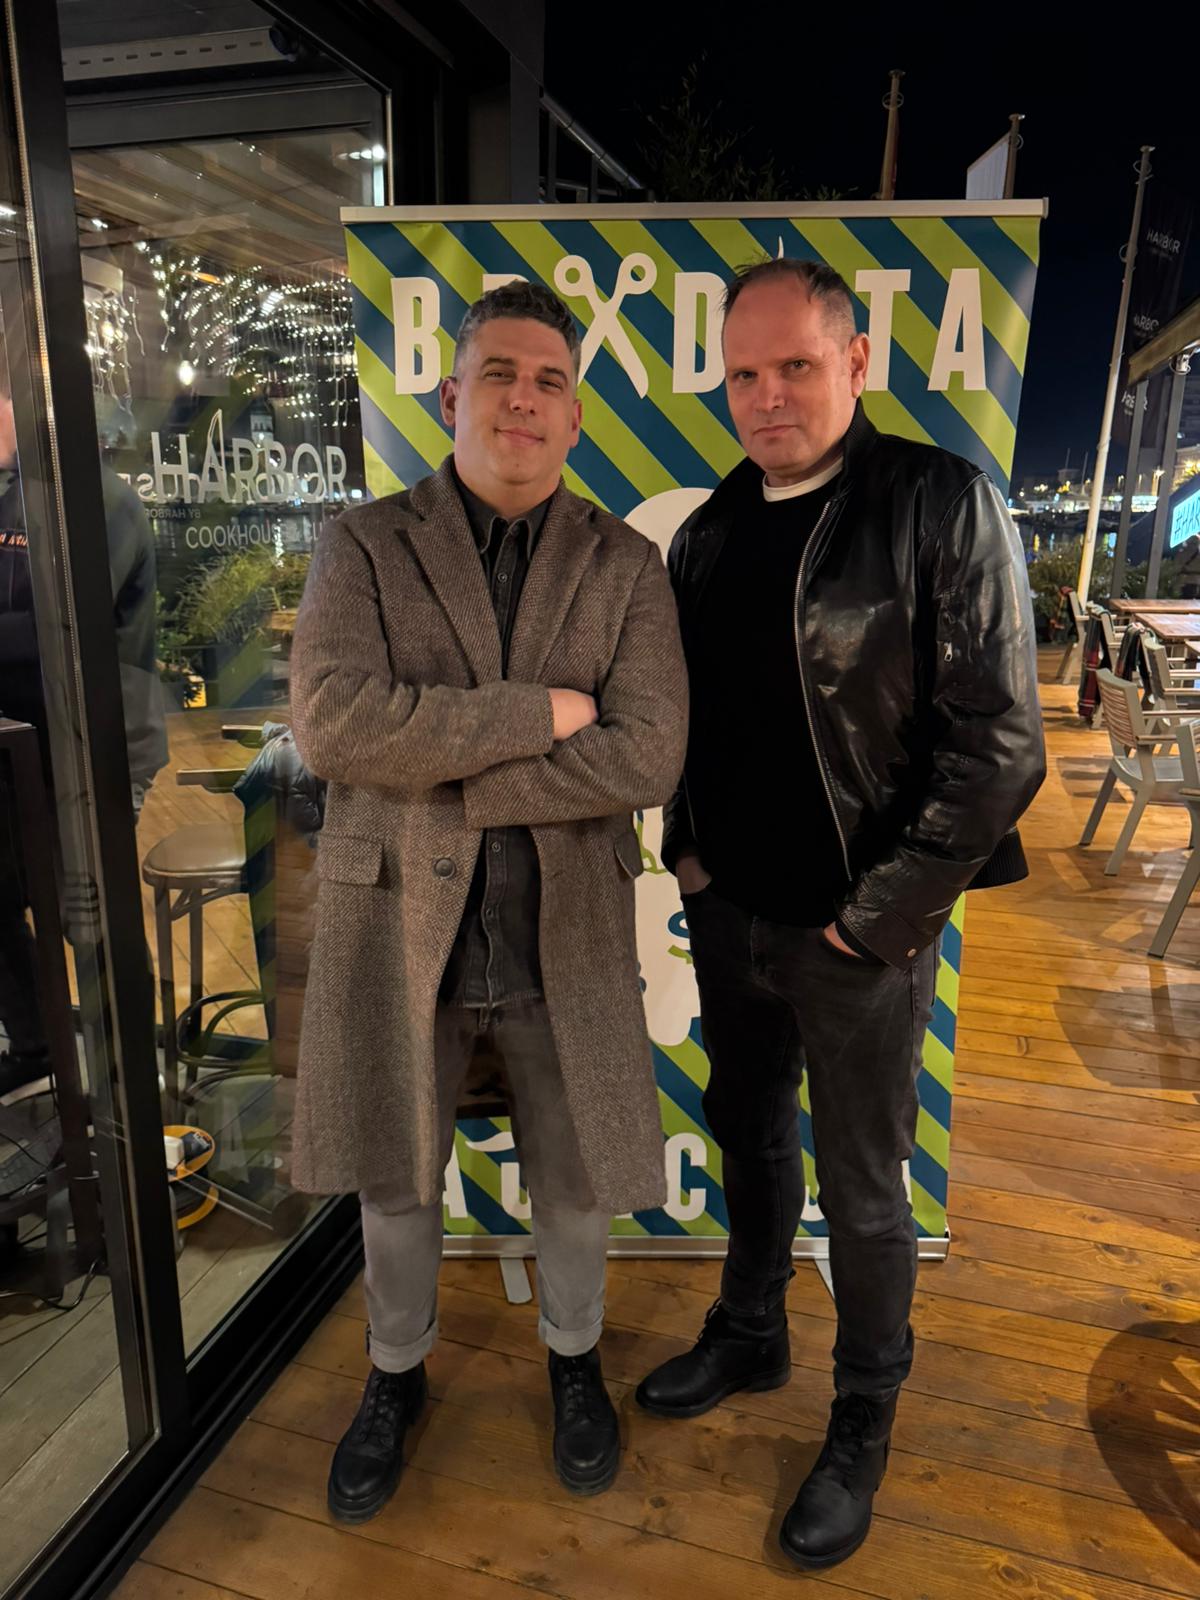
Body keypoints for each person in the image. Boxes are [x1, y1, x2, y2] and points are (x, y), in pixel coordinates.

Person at [635, 258, 1045, 1570]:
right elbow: (688, 723)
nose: (767, 397)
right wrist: (689, 854)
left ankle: (864, 1410)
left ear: (856, 361)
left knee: (867, 1194)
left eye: (795, 367)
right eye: (744, 374)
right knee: (750, 1139)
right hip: (731, 916)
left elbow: (1001, 749)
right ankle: (751, 1328)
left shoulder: (937, 503)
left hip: (858, 939)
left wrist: (874, 922)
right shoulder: (708, 531)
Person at [290, 281, 688, 1522]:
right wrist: (540, 716)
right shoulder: (363, 544)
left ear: (575, 417)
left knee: (572, 1178)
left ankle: (575, 1360)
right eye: (501, 373)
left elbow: (648, 753)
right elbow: (335, 726)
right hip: (396, 922)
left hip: (560, 931)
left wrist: (445, 766)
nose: (525, 398)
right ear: (451, 394)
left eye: (550, 380)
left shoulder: (623, 563)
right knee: (395, 1176)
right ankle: (394, 1372)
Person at [0, 374, 166, 1099]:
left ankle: (129, 1085)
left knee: (91, 917)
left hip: (94, 751)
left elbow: (62, 622)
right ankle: (37, 1043)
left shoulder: (102, 502)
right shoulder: (16, 497)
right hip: (24, 750)